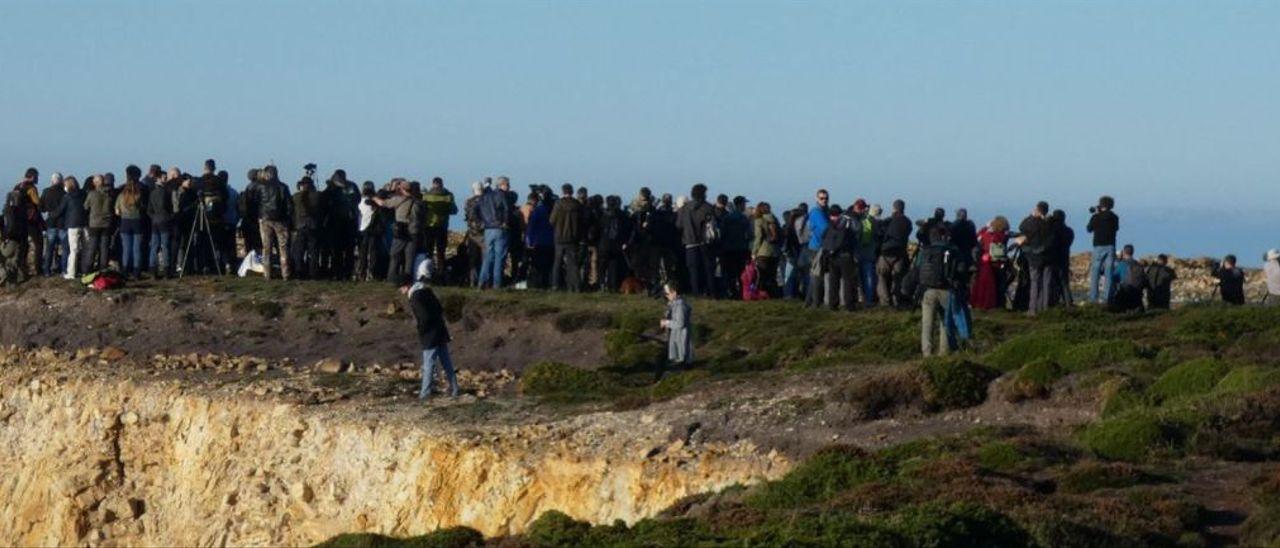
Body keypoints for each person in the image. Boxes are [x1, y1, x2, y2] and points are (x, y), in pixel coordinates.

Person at [402, 261, 458, 400]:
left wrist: (421, 329)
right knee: (446, 362)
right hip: (440, 330)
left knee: (428, 364)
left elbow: (424, 317)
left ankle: (425, 393)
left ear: (406, 285)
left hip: (430, 334)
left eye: (401, 287)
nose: (400, 291)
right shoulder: (426, 289)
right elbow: (439, 308)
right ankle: (455, 389)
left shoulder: (415, 296)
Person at [916, 225, 959, 356]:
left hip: (928, 290)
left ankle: (927, 353)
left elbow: (917, 268)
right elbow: (961, 269)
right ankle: (944, 352)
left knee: (927, 323)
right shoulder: (953, 250)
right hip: (947, 290)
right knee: (945, 323)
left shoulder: (925, 251)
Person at [676, 184, 718, 297]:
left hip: (690, 243)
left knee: (693, 270)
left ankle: (696, 292)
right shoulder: (708, 208)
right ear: (703, 194)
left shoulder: (684, 209)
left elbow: (678, 225)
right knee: (708, 269)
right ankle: (710, 292)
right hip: (705, 243)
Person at [252, 165, 292, 280]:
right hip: (281, 220)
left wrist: (258, 215)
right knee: (283, 248)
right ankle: (286, 274)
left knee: (266, 248)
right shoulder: (283, 187)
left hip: (265, 219)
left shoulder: (260, 187)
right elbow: (289, 205)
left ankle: (267, 274)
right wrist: (287, 218)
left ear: (267, 174)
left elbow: (256, 202)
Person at [321, 169, 361, 281]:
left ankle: (346, 273)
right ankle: (338, 273)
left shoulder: (351, 186)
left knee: (347, 250)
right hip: (337, 223)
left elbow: (357, 199)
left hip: (348, 222)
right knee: (337, 251)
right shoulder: (332, 189)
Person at [1016, 202, 1054, 316]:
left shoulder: (1032, 223)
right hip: (1047, 256)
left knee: (1035, 282)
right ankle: (1044, 307)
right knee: (1046, 283)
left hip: (1034, 257)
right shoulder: (1049, 224)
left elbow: (1021, 227)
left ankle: (1033, 310)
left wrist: (1031, 216)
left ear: (1037, 210)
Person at [822, 204, 860, 311]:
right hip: (846, 256)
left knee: (833, 281)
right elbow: (855, 237)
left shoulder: (829, 227)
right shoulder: (847, 226)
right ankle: (850, 305)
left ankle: (833, 304)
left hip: (832, 256)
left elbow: (823, 238)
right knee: (848, 281)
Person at [474, 179, 510, 289]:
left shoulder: (485, 196)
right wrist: (505, 223)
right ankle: (497, 284)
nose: (509, 187)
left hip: (488, 229)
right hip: (499, 228)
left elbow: (476, 210)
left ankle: (482, 282)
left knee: (488, 256)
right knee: (500, 257)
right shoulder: (501, 195)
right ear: (502, 185)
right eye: (507, 185)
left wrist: (481, 223)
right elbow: (506, 210)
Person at [877, 199, 912, 307]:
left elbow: (880, 233)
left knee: (882, 277)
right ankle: (897, 300)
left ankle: (885, 301)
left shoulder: (888, 220)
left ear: (893, 208)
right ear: (903, 208)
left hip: (886, 252)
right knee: (897, 278)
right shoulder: (907, 222)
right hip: (900, 253)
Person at [548, 183, 583, 292]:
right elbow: (582, 221)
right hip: (573, 238)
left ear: (563, 191)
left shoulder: (558, 204)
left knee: (557, 262)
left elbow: (551, 220)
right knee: (573, 263)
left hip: (559, 237)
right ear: (572, 191)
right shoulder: (577, 205)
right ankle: (575, 286)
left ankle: (555, 285)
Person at [970, 216, 1010, 310]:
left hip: (987, 261)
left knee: (987, 284)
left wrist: (985, 227)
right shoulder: (1003, 236)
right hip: (1000, 262)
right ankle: (1000, 304)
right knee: (1000, 283)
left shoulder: (987, 235)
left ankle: (984, 303)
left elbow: (977, 237)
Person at [1086, 196, 1119, 304]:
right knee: (1109, 272)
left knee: (1095, 271)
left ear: (1101, 204)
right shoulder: (1115, 217)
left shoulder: (1097, 217)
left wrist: (1096, 214)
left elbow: (1089, 229)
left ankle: (1093, 297)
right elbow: (1116, 228)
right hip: (1110, 245)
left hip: (1098, 245)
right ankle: (1107, 298)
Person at [421, 177, 457, 278]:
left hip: (429, 226)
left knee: (428, 251)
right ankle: (441, 273)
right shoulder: (448, 196)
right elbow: (454, 210)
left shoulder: (426, 196)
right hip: (442, 226)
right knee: (441, 252)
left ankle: (427, 272)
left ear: (433, 184)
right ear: (442, 184)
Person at [803, 190, 832, 308]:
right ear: (816, 198)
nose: (824, 200)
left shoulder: (824, 211)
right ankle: (815, 302)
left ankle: (809, 302)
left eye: (826, 198)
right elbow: (826, 228)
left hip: (820, 246)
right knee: (817, 275)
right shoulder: (816, 212)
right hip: (817, 247)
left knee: (815, 274)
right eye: (821, 198)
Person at [147, 169, 177, 278]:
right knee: (165, 246)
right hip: (164, 220)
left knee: (154, 246)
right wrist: (170, 217)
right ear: (160, 179)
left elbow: (149, 209)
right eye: (164, 178)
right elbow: (171, 207)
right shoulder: (167, 192)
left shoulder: (152, 193)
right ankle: (166, 270)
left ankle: (152, 270)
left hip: (155, 221)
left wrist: (153, 217)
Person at [114, 176, 145, 279]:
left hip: (125, 222)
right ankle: (136, 271)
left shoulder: (120, 196)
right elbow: (142, 208)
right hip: (137, 222)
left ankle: (125, 270)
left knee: (126, 248)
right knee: (136, 248)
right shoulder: (139, 196)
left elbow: (117, 211)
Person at [291, 177, 322, 279]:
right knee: (313, 252)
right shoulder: (318, 196)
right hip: (313, 226)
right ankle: (313, 273)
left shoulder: (296, 196)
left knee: (299, 251)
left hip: (300, 226)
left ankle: (299, 272)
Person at [56, 176, 87, 279]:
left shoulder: (67, 197)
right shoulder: (83, 194)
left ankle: (71, 272)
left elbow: (60, 210)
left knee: (73, 250)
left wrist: (51, 215)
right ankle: (85, 271)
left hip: (72, 224)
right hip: (84, 223)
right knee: (85, 249)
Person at [83, 175, 114, 273]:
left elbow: (85, 207)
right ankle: (103, 267)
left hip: (94, 223)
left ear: (95, 183)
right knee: (104, 247)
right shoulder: (109, 193)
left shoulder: (92, 194)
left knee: (92, 246)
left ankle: (88, 268)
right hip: (106, 223)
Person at [751, 201, 782, 298]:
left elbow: (759, 237)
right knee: (772, 276)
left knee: (762, 276)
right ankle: (774, 295)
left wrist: (754, 252)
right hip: (775, 251)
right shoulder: (775, 220)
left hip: (763, 251)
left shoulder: (759, 221)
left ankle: (763, 295)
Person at [39, 172, 67, 277]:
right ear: (61, 181)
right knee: (65, 249)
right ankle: (64, 270)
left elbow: (40, 207)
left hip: (50, 222)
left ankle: (47, 270)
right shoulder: (64, 194)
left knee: (49, 248)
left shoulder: (46, 192)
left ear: (52, 181)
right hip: (62, 224)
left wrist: (47, 210)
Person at [660, 282, 693, 372]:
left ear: (674, 292)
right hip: (676, 340)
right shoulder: (673, 304)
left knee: (678, 366)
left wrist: (666, 323)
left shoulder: (680, 306)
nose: (666, 296)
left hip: (681, 343)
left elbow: (680, 323)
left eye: (667, 294)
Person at [852, 200, 878, 306]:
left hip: (861, 253)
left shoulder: (863, 221)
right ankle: (869, 299)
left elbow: (864, 240)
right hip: (869, 253)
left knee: (863, 278)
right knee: (868, 277)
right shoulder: (869, 221)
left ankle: (864, 299)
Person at [1049, 209, 1075, 307]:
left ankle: (1052, 302)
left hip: (1052, 259)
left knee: (1052, 282)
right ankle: (1068, 303)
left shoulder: (1052, 230)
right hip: (1064, 258)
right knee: (1064, 282)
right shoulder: (1069, 231)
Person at [1110, 245, 1147, 312]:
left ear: (1124, 252)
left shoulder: (1122, 264)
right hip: (1137, 297)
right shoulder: (1139, 265)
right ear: (1133, 252)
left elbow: (1113, 279)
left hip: (1125, 297)